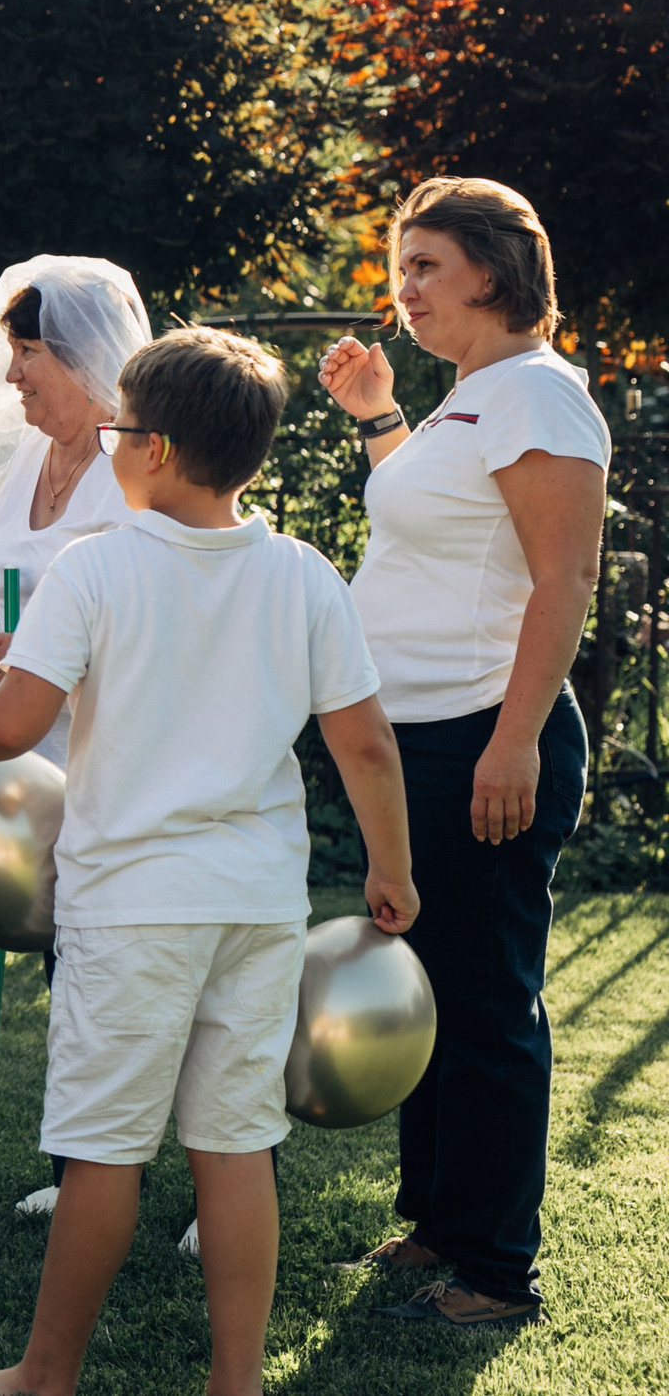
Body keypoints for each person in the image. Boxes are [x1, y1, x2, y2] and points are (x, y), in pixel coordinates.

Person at [0, 328, 419, 1396]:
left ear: (158, 447)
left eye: (118, 430)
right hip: (256, 903)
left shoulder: (97, 565)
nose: (108, 447)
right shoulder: (302, 572)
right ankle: (233, 1383)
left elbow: (13, 725)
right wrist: (391, 866)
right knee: (233, 1147)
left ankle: (45, 1373)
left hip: (133, 906)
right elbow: (365, 742)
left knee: (103, 1152)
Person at [318, 177, 608, 1330]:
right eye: (402, 267)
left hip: (490, 736)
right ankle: (438, 1219)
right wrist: (379, 412)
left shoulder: (537, 395)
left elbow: (561, 580)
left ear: (491, 270)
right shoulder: (471, 397)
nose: (405, 288)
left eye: (425, 264)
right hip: (424, 740)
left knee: (485, 1002)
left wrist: (514, 739)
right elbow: (431, 523)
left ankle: (494, 1272)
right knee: (429, 987)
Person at [0, 254, 152, 1218]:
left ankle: (225, 1182)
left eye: (28, 352)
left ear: (82, 354)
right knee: (70, 966)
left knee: (158, 974)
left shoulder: (141, 462)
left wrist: (42, 653)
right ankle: (80, 1169)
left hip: (122, 745)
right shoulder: (29, 463)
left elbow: (159, 612)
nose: (11, 378)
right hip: (39, 752)